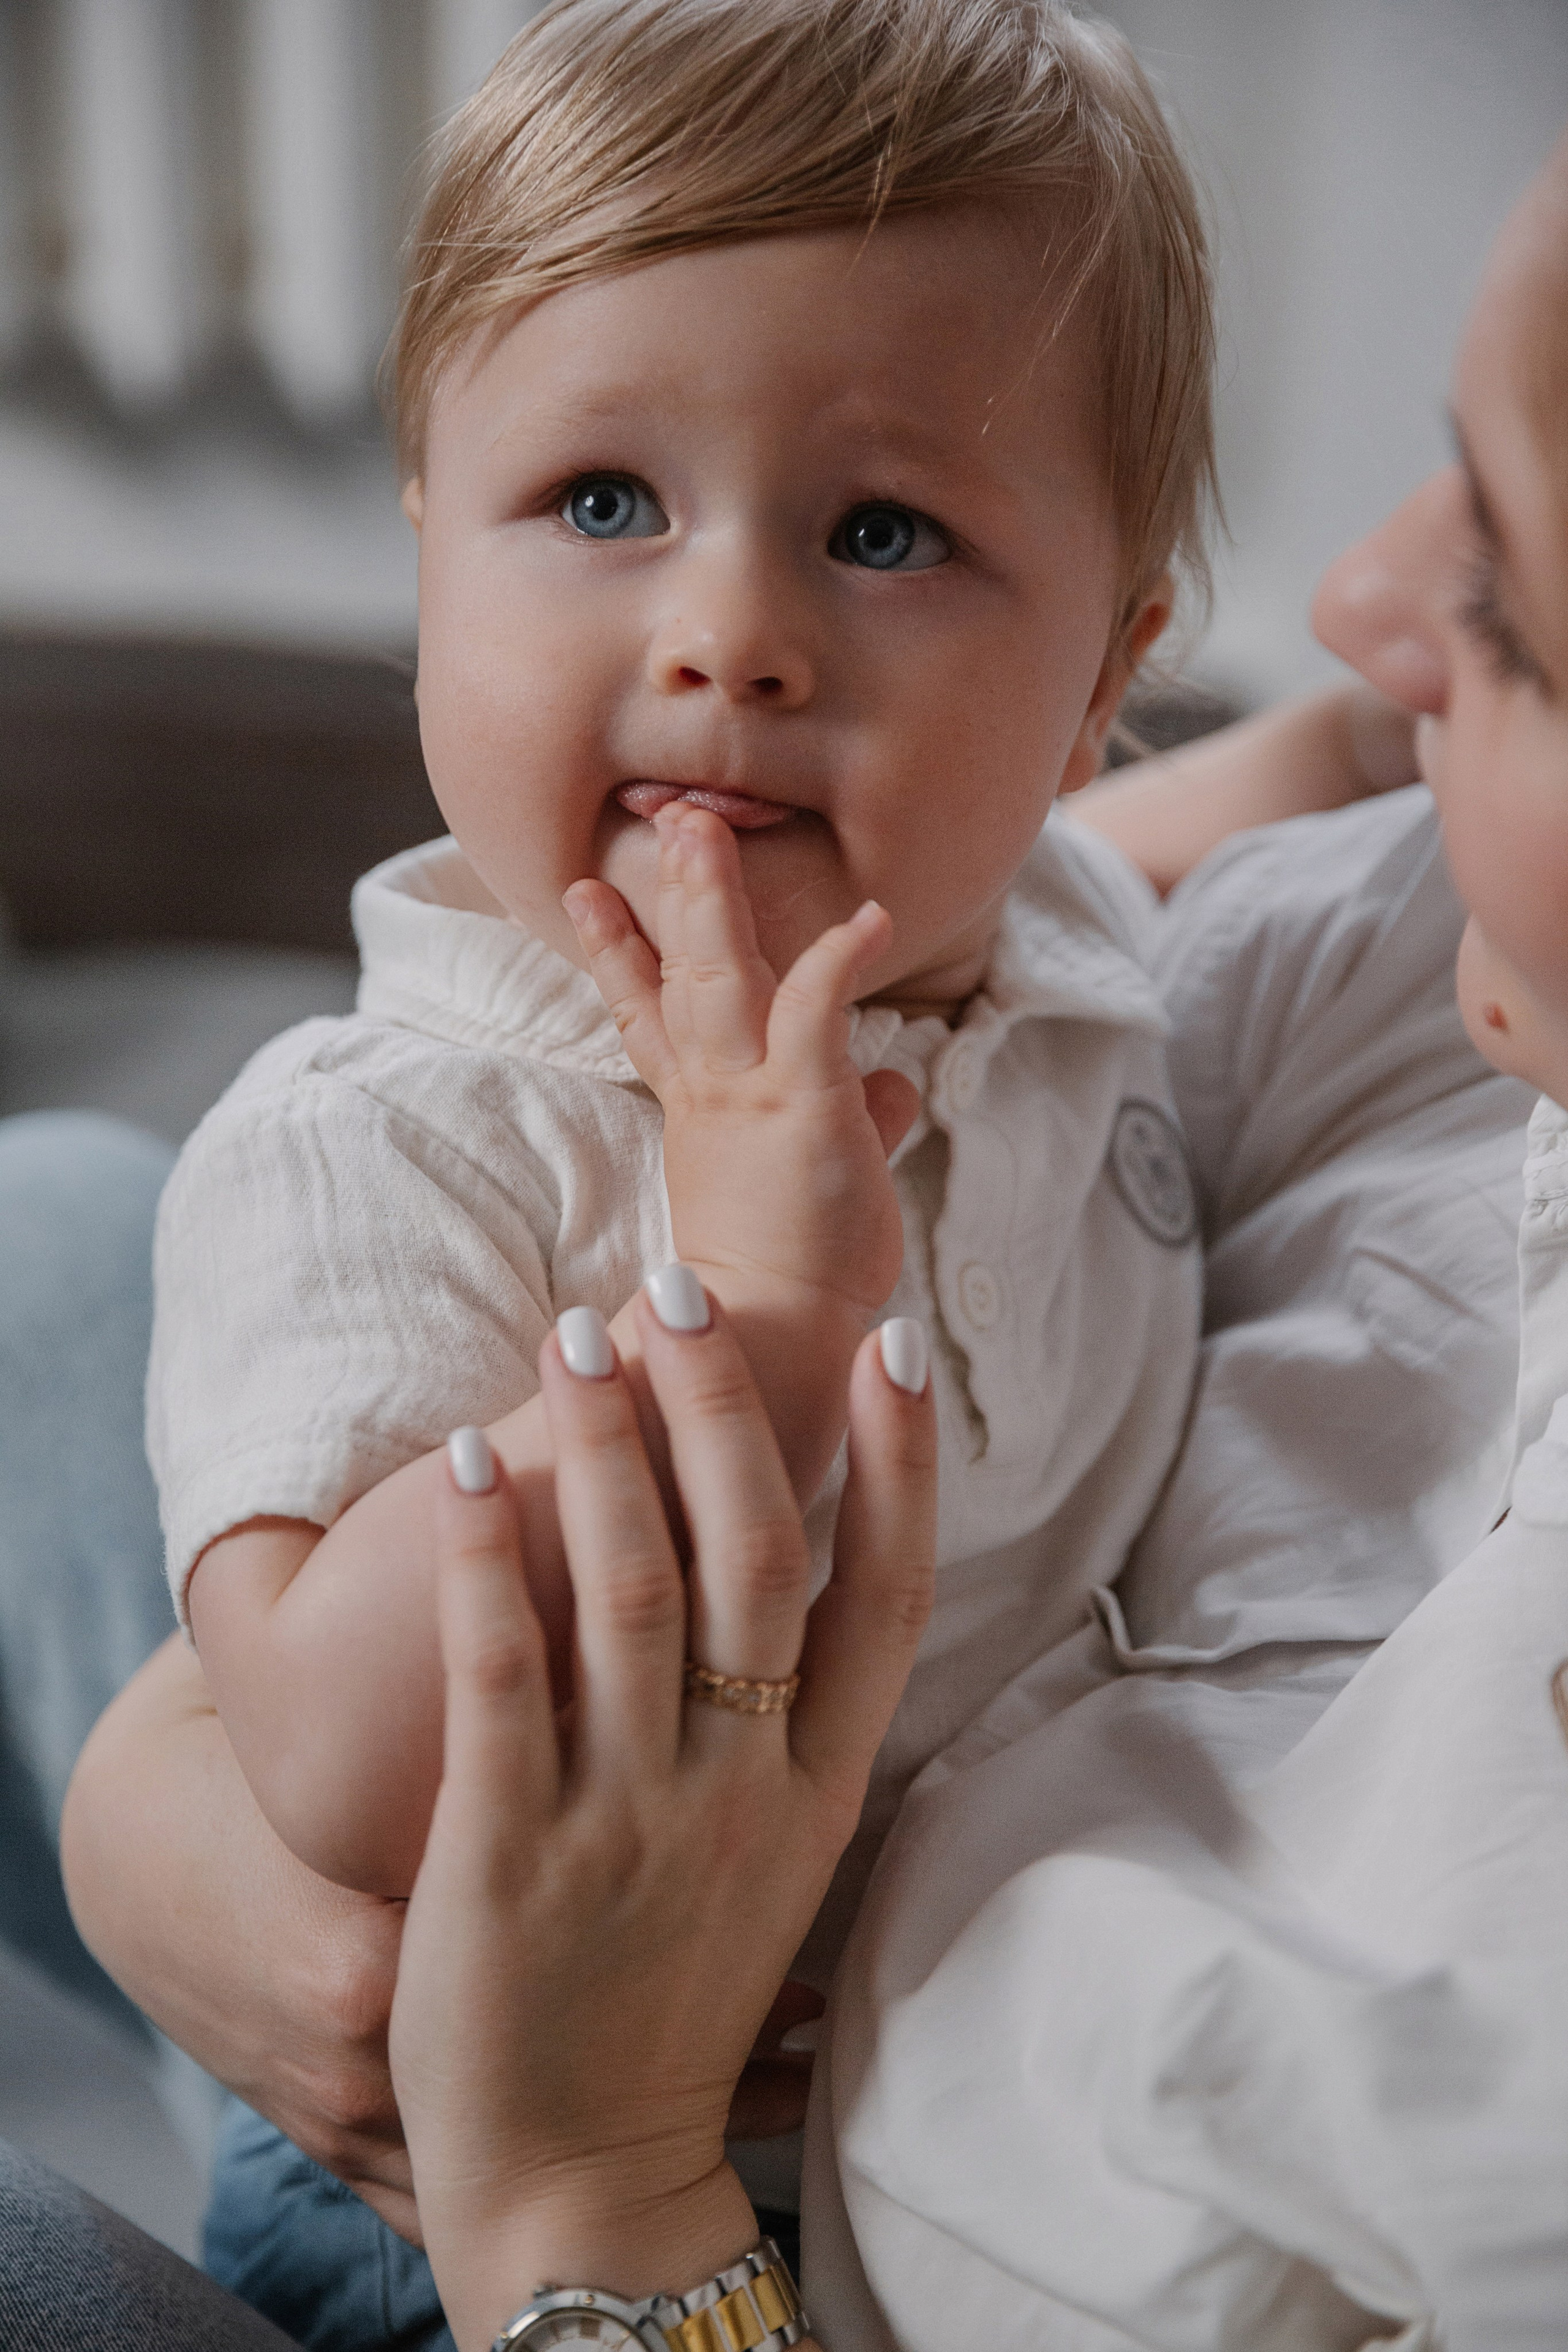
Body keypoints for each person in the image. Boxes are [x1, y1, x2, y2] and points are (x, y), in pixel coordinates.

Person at [133, 2, 1421, 2338]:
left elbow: (1228, 810)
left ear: (1104, 674)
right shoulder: (382, 1148)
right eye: (601, 504)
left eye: (886, 532)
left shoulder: (1040, 940)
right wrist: (762, 1304)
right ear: (429, 539)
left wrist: (1397, 717)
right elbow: (320, 1757)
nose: (728, 635)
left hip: (927, 2131)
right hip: (477, 2187)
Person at [802, 124, 1568, 2352]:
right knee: (71, 1211)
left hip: (647, 2241)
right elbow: (1012, 939)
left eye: (1509, 607)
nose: (1357, 600)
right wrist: (182, 1817)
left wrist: (580, 2173)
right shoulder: (1435, 949)